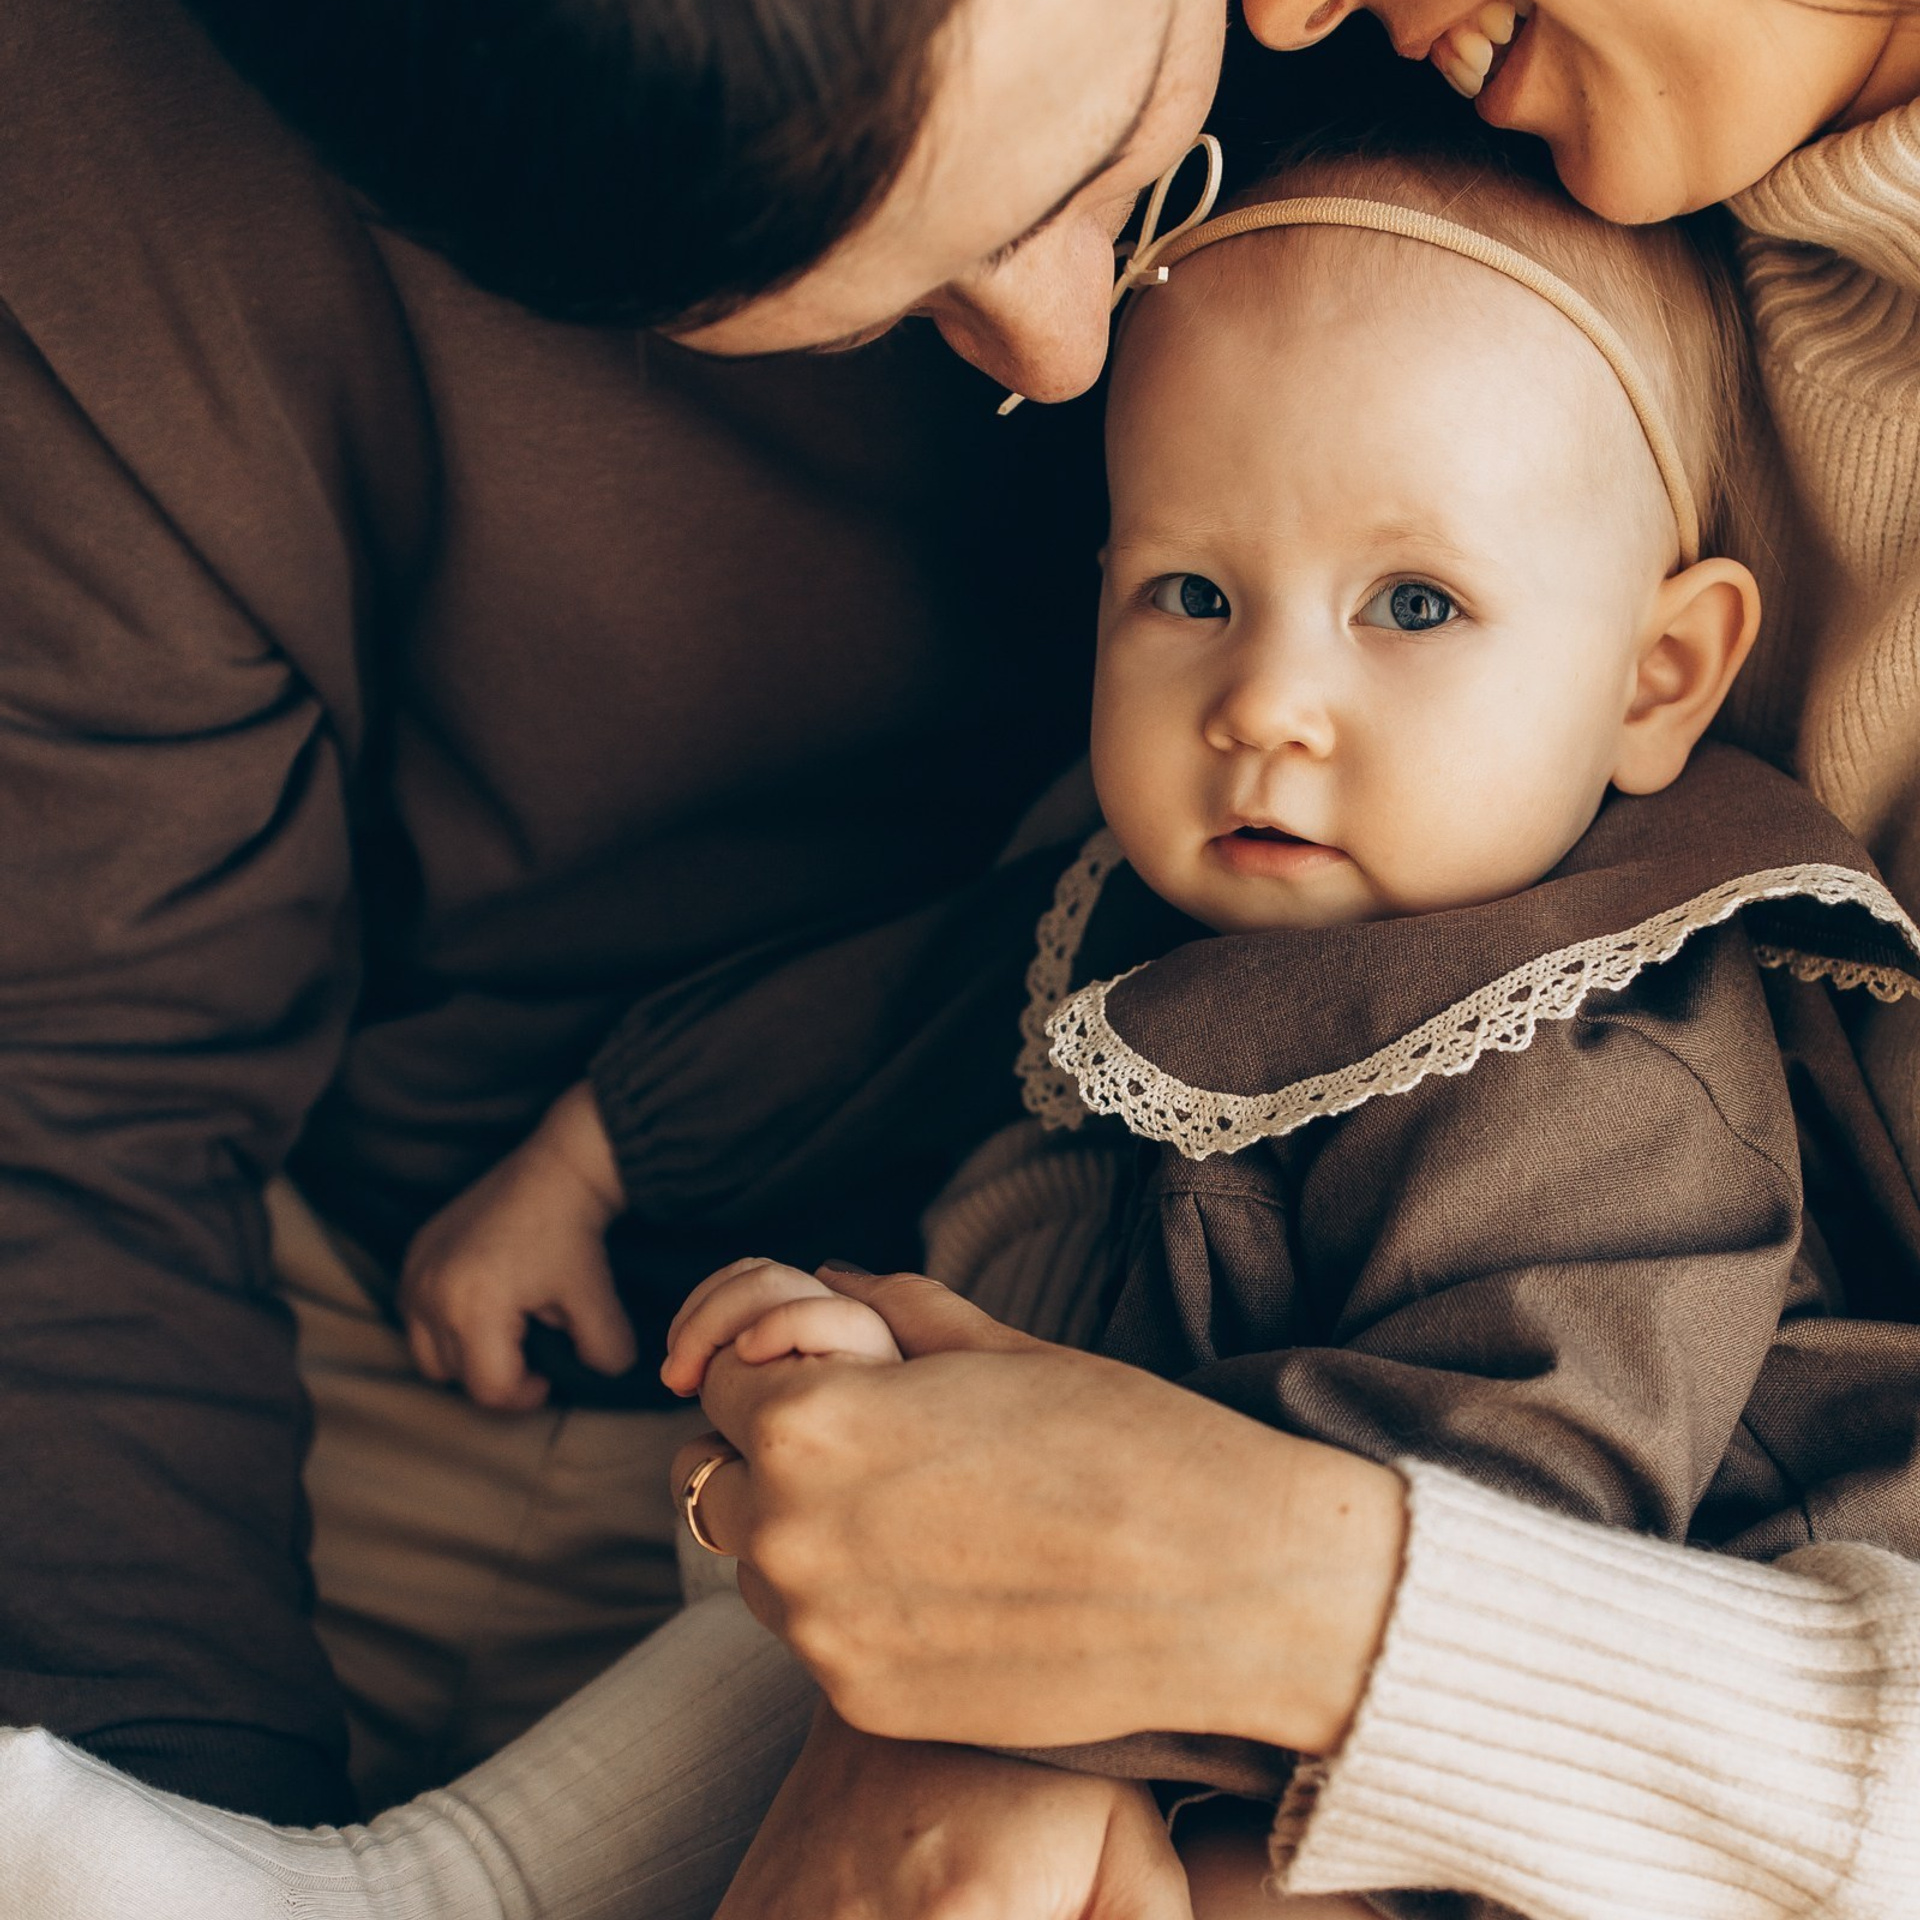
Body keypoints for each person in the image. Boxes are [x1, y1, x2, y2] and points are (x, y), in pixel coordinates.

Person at [3, 0, 1920, 1917]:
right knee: (821, 1576)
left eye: (1413, 608)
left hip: (1395, 1705)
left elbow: (1523, 1506)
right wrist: (604, 1148)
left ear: (1666, 674)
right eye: (1184, 591)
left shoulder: (1614, 1063)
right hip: (839, 1464)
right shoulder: (1134, 887)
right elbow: (898, 1008)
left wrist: (1081, 1651)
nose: (1266, 704)